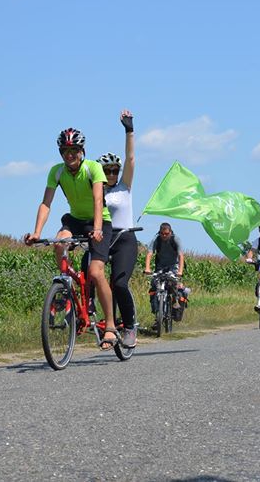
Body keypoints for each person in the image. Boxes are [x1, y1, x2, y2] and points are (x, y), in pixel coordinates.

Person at [24, 128, 117, 350]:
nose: (70, 154)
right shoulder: (56, 172)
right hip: (74, 219)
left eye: (74, 150)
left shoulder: (92, 168)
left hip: (98, 221)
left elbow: (97, 199)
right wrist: (36, 231)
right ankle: (65, 290)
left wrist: (96, 229)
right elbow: (46, 203)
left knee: (95, 272)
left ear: (82, 150)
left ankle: (111, 327)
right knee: (59, 242)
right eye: (65, 150)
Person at [97, 109, 138, 349]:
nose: (111, 174)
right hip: (104, 237)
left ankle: (130, 325)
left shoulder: (125, 186)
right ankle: (106, 325)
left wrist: (129, 130)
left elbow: (131, 159)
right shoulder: (97, 191)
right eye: (107, 170)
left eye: (114, 169)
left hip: (124, 237)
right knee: (93, 277)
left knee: (119, 283)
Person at [144, 223, 188, 325]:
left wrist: (180, 272)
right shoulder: (156, 239)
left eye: (166, 234)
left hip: (173, 266)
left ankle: (175, 300)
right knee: (155, 286)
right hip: (160, 266)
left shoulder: (175, 239)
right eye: (162, 233)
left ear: (170, 232)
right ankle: (157, 314)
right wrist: (147, 268)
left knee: (173, 284)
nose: (164, 236)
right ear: (159, 232)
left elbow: (181, 256)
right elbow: (149, 254)